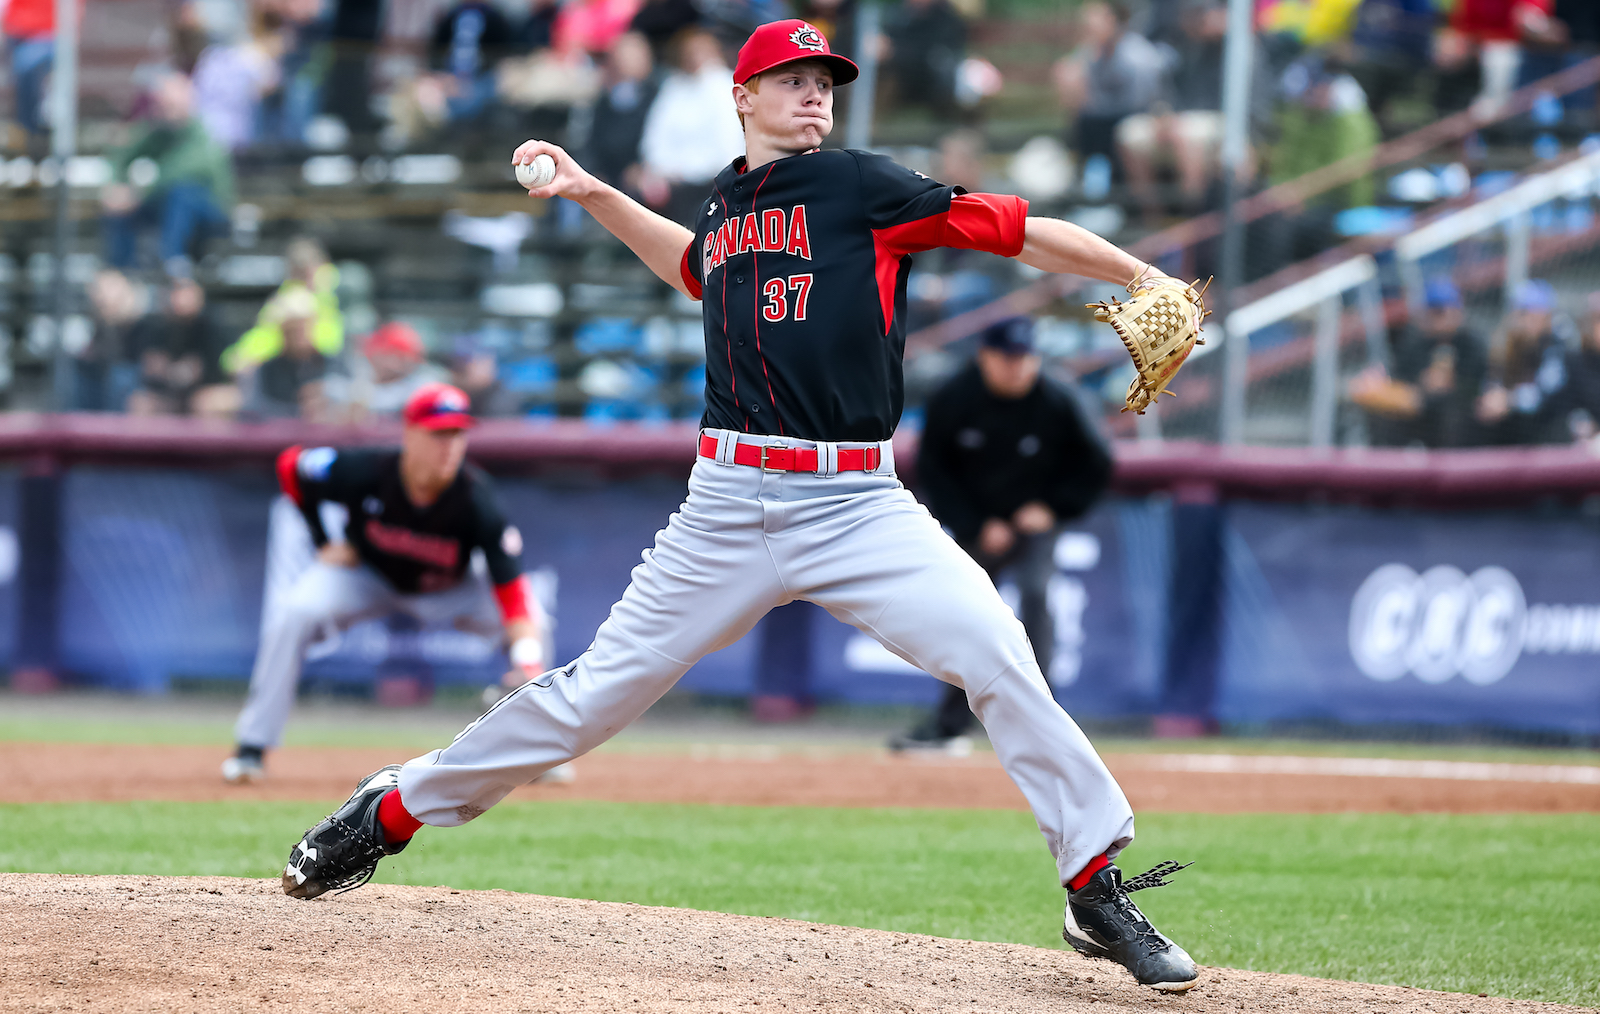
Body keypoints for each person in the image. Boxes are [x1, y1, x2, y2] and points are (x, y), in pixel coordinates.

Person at [283, 19, 1202, 994]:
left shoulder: (860, 186)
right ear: (742, 95)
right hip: (724, 507)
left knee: (999, 654)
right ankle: (392, 811)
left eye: (823, 80)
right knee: (592, 701)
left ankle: (1093, 886)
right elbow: (695, 268)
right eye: (790, 78)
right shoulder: (725, 205)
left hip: (856, 502)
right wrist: (593, 191)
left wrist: (1139, 276)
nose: (813, 93)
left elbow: (1015, 229)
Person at [224, 383, 550, 783]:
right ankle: (252, 748)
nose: (449, 446)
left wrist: (527, 661)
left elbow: (513, 593)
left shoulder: (477, 499)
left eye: (457, 434)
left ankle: (540, 755)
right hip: (368, 577)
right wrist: (323, 542)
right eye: (438, 434)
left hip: (448, 591)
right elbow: (293, 465)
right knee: (295, 613)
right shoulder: (366, 470)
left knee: (536, 622)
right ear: (410, 434)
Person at [892, 316, 1112, 752]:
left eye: (1026, 358)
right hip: (980, 525)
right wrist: (976, 524)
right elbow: (934, 469)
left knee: (1035, 596)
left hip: (1035, 522)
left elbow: (1096, 463)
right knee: (968, 616)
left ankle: (1044, 724)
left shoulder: (1058, 398)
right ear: (984, 357)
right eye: (1007, 358)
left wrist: (1051, 508)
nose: (1017, 367)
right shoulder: (955, 397)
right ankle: (950, 724)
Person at [103, 73, 236, 277]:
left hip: (211, 211)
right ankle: (121, 271)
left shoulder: (203, 137)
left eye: (168, 106)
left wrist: (136, 195)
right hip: (164, 206)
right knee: (121, 212)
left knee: (181, 194)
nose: (161, 111)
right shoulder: (159, 131)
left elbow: (175, 172)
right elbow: (121, 154)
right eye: (159, 106)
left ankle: (173, 262)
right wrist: (114, 185)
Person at [1347, 277, 1488, 448]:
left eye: (1442, 311)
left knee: (1453, 416)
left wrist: (1449, 384)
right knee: (1383, 416)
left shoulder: (1471, 343)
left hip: (1460, 415)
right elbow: (1401, 379)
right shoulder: (1415, 342)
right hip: (1419, 413)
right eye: (1433, 312)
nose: (1438, 319)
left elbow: (1478, 386)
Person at [637, 26, 745, 223]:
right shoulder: (673, 87)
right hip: (673, 181)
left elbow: (729, 145)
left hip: (714, 182)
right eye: (689, 52)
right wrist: (661, 170)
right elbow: (656, 136)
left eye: (700, 51)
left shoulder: (725, 87)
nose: (695, 58)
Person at [1053, 1, 1164, 192]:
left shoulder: (1136, 54)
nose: (1089, 24)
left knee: (1108, 127)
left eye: (1095, 18)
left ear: (1113, 20)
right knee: (1085, 122)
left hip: (1138, 115)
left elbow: (1144, 100)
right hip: (1101, 119)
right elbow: (1070, 89)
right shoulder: (1092, 51)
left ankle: (1120, 198)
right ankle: (1092, 191)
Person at [222, 236, 344, 374]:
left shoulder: (338, 292)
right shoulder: (285, 298)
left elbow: (330, 345)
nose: (303, 274)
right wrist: (246, 359)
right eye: (297, 269)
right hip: (280, 371)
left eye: (307, 267)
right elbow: (262, 337)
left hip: (324, 373)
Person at [1476, 278, 1572, 445]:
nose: (1518, 318)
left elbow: (1545, 395)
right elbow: (1491, 382)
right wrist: (1491, 399)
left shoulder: (1556, 347)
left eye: (1525, 312)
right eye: (1517, 311)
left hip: (1548, 437)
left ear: (1545, 315)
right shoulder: (1506, 346)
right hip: (1511, 434)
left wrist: (1509, 399)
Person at [127, 277, 226, 416]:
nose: (180, 299)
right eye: (176, 292)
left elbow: (215, 371)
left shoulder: (211, 328)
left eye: (186, 293)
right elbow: (150, 367)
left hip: (201, 392)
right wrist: (172, 372)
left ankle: (206, 439)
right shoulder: (156, 327)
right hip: (166, 393)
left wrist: (187, 373)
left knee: (206, 402)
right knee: (141, 402)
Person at [581, 31, 658, 190]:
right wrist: (596, 171)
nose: (628, 60)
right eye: (623, 55)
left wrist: (643, 167)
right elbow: (594, 139)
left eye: (634, 55)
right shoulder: (605, 99)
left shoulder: (658, 95)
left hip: (640, 171)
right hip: (608, 171)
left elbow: (659, 140)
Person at [879, 0, 967, 117]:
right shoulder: (900, 16)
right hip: (900, 80)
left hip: (929, 87)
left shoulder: (946, 21)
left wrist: (894, 52)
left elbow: (934, 56)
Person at [3, 0, 55, 142]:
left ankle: (31, 128)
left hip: (48, 35)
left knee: (26, 67)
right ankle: (26, 130)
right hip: (17, 33)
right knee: (21, 75)